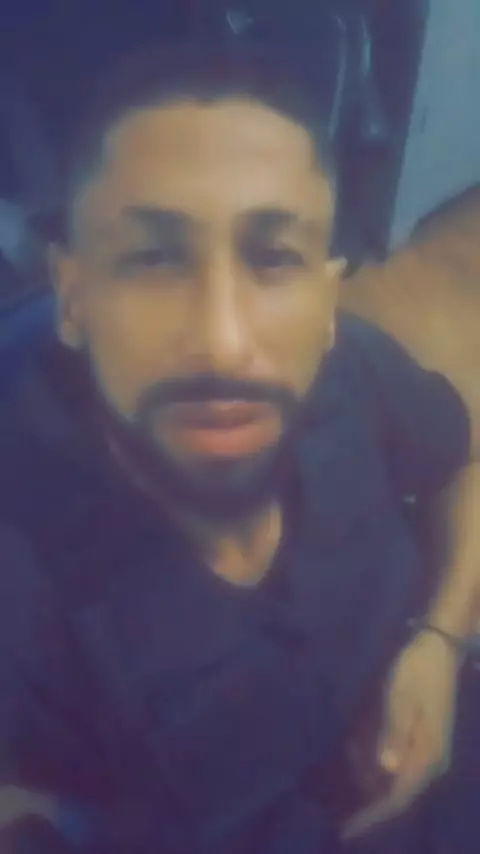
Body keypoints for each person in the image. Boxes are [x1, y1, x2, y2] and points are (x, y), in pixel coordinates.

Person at [0, 41, 479, 853]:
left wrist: (439, 640)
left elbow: (460, 466)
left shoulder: (357, 372)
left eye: (274, 257)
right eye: (154, 259)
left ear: (326, 300)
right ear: (74, 299)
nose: (223, 344)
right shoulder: (21, 578)